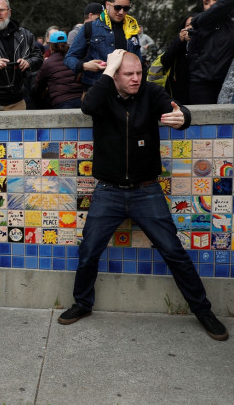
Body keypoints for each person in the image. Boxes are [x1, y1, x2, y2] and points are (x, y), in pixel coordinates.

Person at [57, 49, 228, 342]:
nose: (136, 79)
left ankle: (203, 310)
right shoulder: (103, 93)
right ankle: (82, 303)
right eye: (128, 74)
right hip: (108, 191)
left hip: (146, 190)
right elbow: (89, 107)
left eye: (139, 73)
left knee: (173, 251)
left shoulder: (150, 92)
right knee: (88, 252)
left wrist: (183, 117)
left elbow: (179, 111)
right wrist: (109, 72)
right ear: (115, 73)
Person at [64, 0, 142, 92]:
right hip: (96, 88)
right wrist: (85, 66)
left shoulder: (132, 29)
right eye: (117, 7)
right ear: (107, 5)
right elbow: (69, 58)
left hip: (125, 91)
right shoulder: (90, 27)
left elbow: (138, 62)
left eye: (126, 8)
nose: (121, 12)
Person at [186, 0, 234, 104]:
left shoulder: (231, 24)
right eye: (206, 3)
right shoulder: (201, 21)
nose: (211, 4)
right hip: (202, 84)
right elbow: (218, 8)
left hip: (227, 83)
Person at [33, 31, 83, 109]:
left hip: (62, 103)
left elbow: (38, 85)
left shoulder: (48, 63)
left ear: (51, 46)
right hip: (82, 100)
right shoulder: (77, 59)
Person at [159, 14, 197, 104]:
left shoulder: (206, 41)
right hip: (179, 92)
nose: (190, 27)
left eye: (194, 24)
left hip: (198, 90)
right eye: (187, 25)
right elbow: (165, 61)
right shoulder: (179, 42)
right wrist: (180, 40)